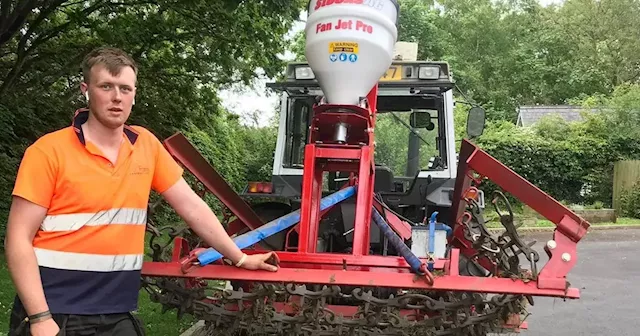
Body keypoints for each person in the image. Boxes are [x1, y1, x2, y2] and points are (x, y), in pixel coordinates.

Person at [4, 46, 279, 336]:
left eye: (125, 88)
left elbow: (192, 207)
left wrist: (240, 258)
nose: (116, 97)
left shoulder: (145, 145)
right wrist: (39, 316)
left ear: (134, 94)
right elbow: (17, 238)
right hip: (56, 311)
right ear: (86, 90)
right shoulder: (48, 151)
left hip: (115, 311)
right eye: (106, 87)